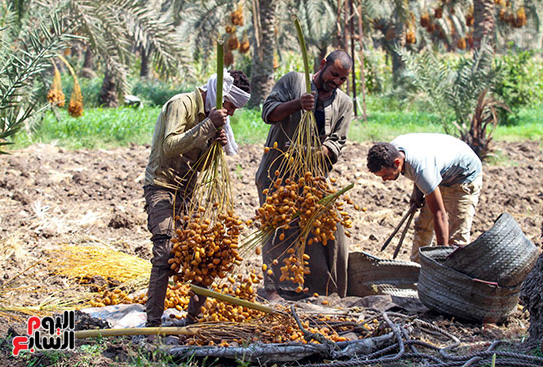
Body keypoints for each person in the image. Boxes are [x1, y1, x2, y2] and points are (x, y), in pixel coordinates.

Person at [143, 70, 250, 327]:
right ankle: (152, 325)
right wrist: (207, 126)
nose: (231, 113)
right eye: (230, 105)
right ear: (218, 93)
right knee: (165, 253)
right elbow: (170, 146)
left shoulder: (215, 118)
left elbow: (201, 166)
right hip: (162, 186)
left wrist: (215, 145)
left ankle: (193, 321)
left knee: (207, 252)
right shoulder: (182, 104)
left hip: (187, 192)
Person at [255, 50, 354, 302]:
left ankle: (322, 289)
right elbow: (269, 114)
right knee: (278, 228)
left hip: (312, 178)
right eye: (333, 75)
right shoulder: (293, 81)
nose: (336, 82)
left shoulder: (344, 103)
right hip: (277, 174)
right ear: (323, 65)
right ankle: (275, 289)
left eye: (342, 79)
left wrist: (309, 153)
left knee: (330, 230)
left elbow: (336, 144)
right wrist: (297, 104)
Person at [366, 133, 483, 263]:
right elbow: (422, 164)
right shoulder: (392, 151)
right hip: (438, 172)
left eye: (386, 175)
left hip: (464, 177)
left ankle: (451, 276)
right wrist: (417, 190)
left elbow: (440, 214)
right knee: (423, 227)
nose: (384, 180)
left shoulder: (423, 170)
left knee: (456, 240)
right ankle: (417, 270)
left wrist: (441, 255)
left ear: (397, 162)